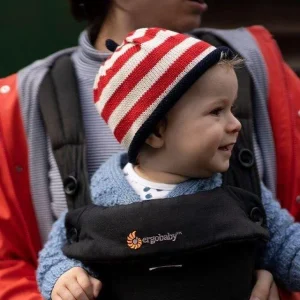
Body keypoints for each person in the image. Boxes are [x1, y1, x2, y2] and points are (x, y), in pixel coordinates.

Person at [0, 0, 299, 299]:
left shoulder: (240, 192)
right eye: (216, 111)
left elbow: (286, 243)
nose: (236, 125)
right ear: (156, 132)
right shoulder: (102, 194)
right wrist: (65, 280)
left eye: (232, 109)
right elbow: (56, 255)